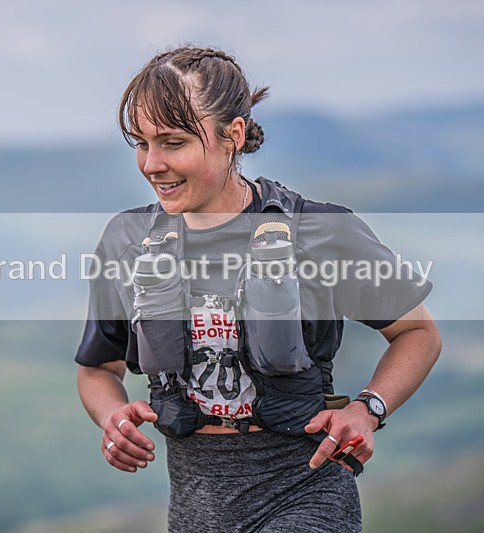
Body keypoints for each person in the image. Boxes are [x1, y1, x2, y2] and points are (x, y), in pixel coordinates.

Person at [75, 46, 441, 532]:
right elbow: (97, 368)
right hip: (194, 508)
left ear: (234, 135)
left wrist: (368, 408)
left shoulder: (319, 230)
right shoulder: (127, 241)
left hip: (307, 493)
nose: (151, 164)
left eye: (173, 142)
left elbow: (418, 333)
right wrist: (113, 417)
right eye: (141, 144)